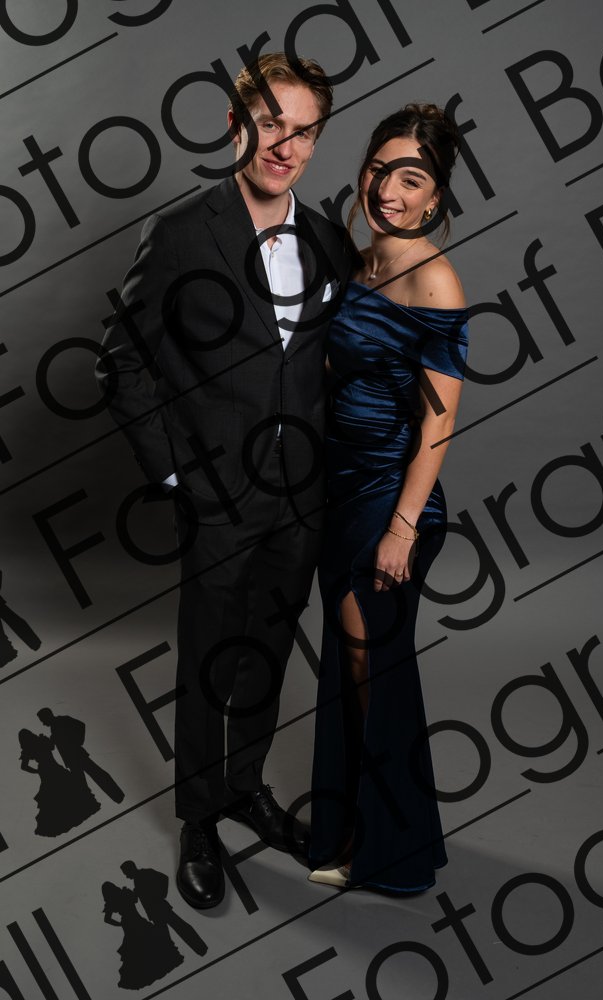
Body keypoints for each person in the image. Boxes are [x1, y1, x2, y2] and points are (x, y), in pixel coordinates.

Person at [96, 53, 355, 909]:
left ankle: (245, 788)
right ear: (237, 125)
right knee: (210, 655)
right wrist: (178, 471)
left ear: (316, 141)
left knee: (269, 649)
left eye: (303, 130)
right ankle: (200, 817)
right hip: (216, 494)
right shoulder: (178, 232)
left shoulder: (329, 239)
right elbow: (121, 360)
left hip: (302, 495)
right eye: (271, 123)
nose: (285, 145)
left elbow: (329, 365)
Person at [308, 104, 469, 893]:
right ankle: (359, 830)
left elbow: (439, 420)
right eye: (379, 170)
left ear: (436, 196)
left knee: (371, 656)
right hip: (340, 490)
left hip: (392, 498)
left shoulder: (435, 279)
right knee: (356, 660)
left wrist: (403, 527)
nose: (388, 191)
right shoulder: (362, 261)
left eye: (411, 179)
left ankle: (392, 855)